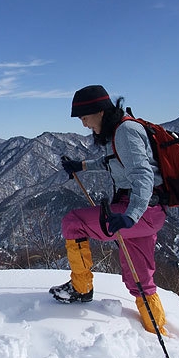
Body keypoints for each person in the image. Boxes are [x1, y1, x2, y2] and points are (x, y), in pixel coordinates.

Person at [50, 84, 168, 335]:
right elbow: (114, 162)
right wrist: (80, 166)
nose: (83, 124)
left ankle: (81, 288)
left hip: (137, 210)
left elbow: (143, 175)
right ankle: (156, 328)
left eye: (84, 117)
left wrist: (130, 216)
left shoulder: (125, 131)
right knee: (138, 277)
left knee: (73, 222)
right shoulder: (121, 129)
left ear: (99, 111)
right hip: (153, 212)